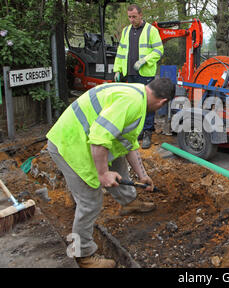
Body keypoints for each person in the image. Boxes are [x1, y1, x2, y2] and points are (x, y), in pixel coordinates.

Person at [46, 78, 175, 268]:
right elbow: (99, 139)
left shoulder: (138, 95)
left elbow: (128, 144)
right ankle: (84, 256)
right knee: (90, 202)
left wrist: (142, 176)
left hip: (83, 140)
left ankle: (129, 202)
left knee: (118, 158)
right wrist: (103, 173)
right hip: (71, 146)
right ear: (163, 102)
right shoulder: (131, 103)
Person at [113, 4, 164, 149]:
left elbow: (159, 50)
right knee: (135, 103)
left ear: (141, 15)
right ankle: (138, 131)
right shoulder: (126, 31)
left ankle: (148, 131)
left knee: (148, 103)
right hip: (130, 73)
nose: (131, 20)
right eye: (129, 17)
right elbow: (121, 52)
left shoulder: (151, 30)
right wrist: (117, 70)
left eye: (134, 17)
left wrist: (144, 60)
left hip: (145, 74)